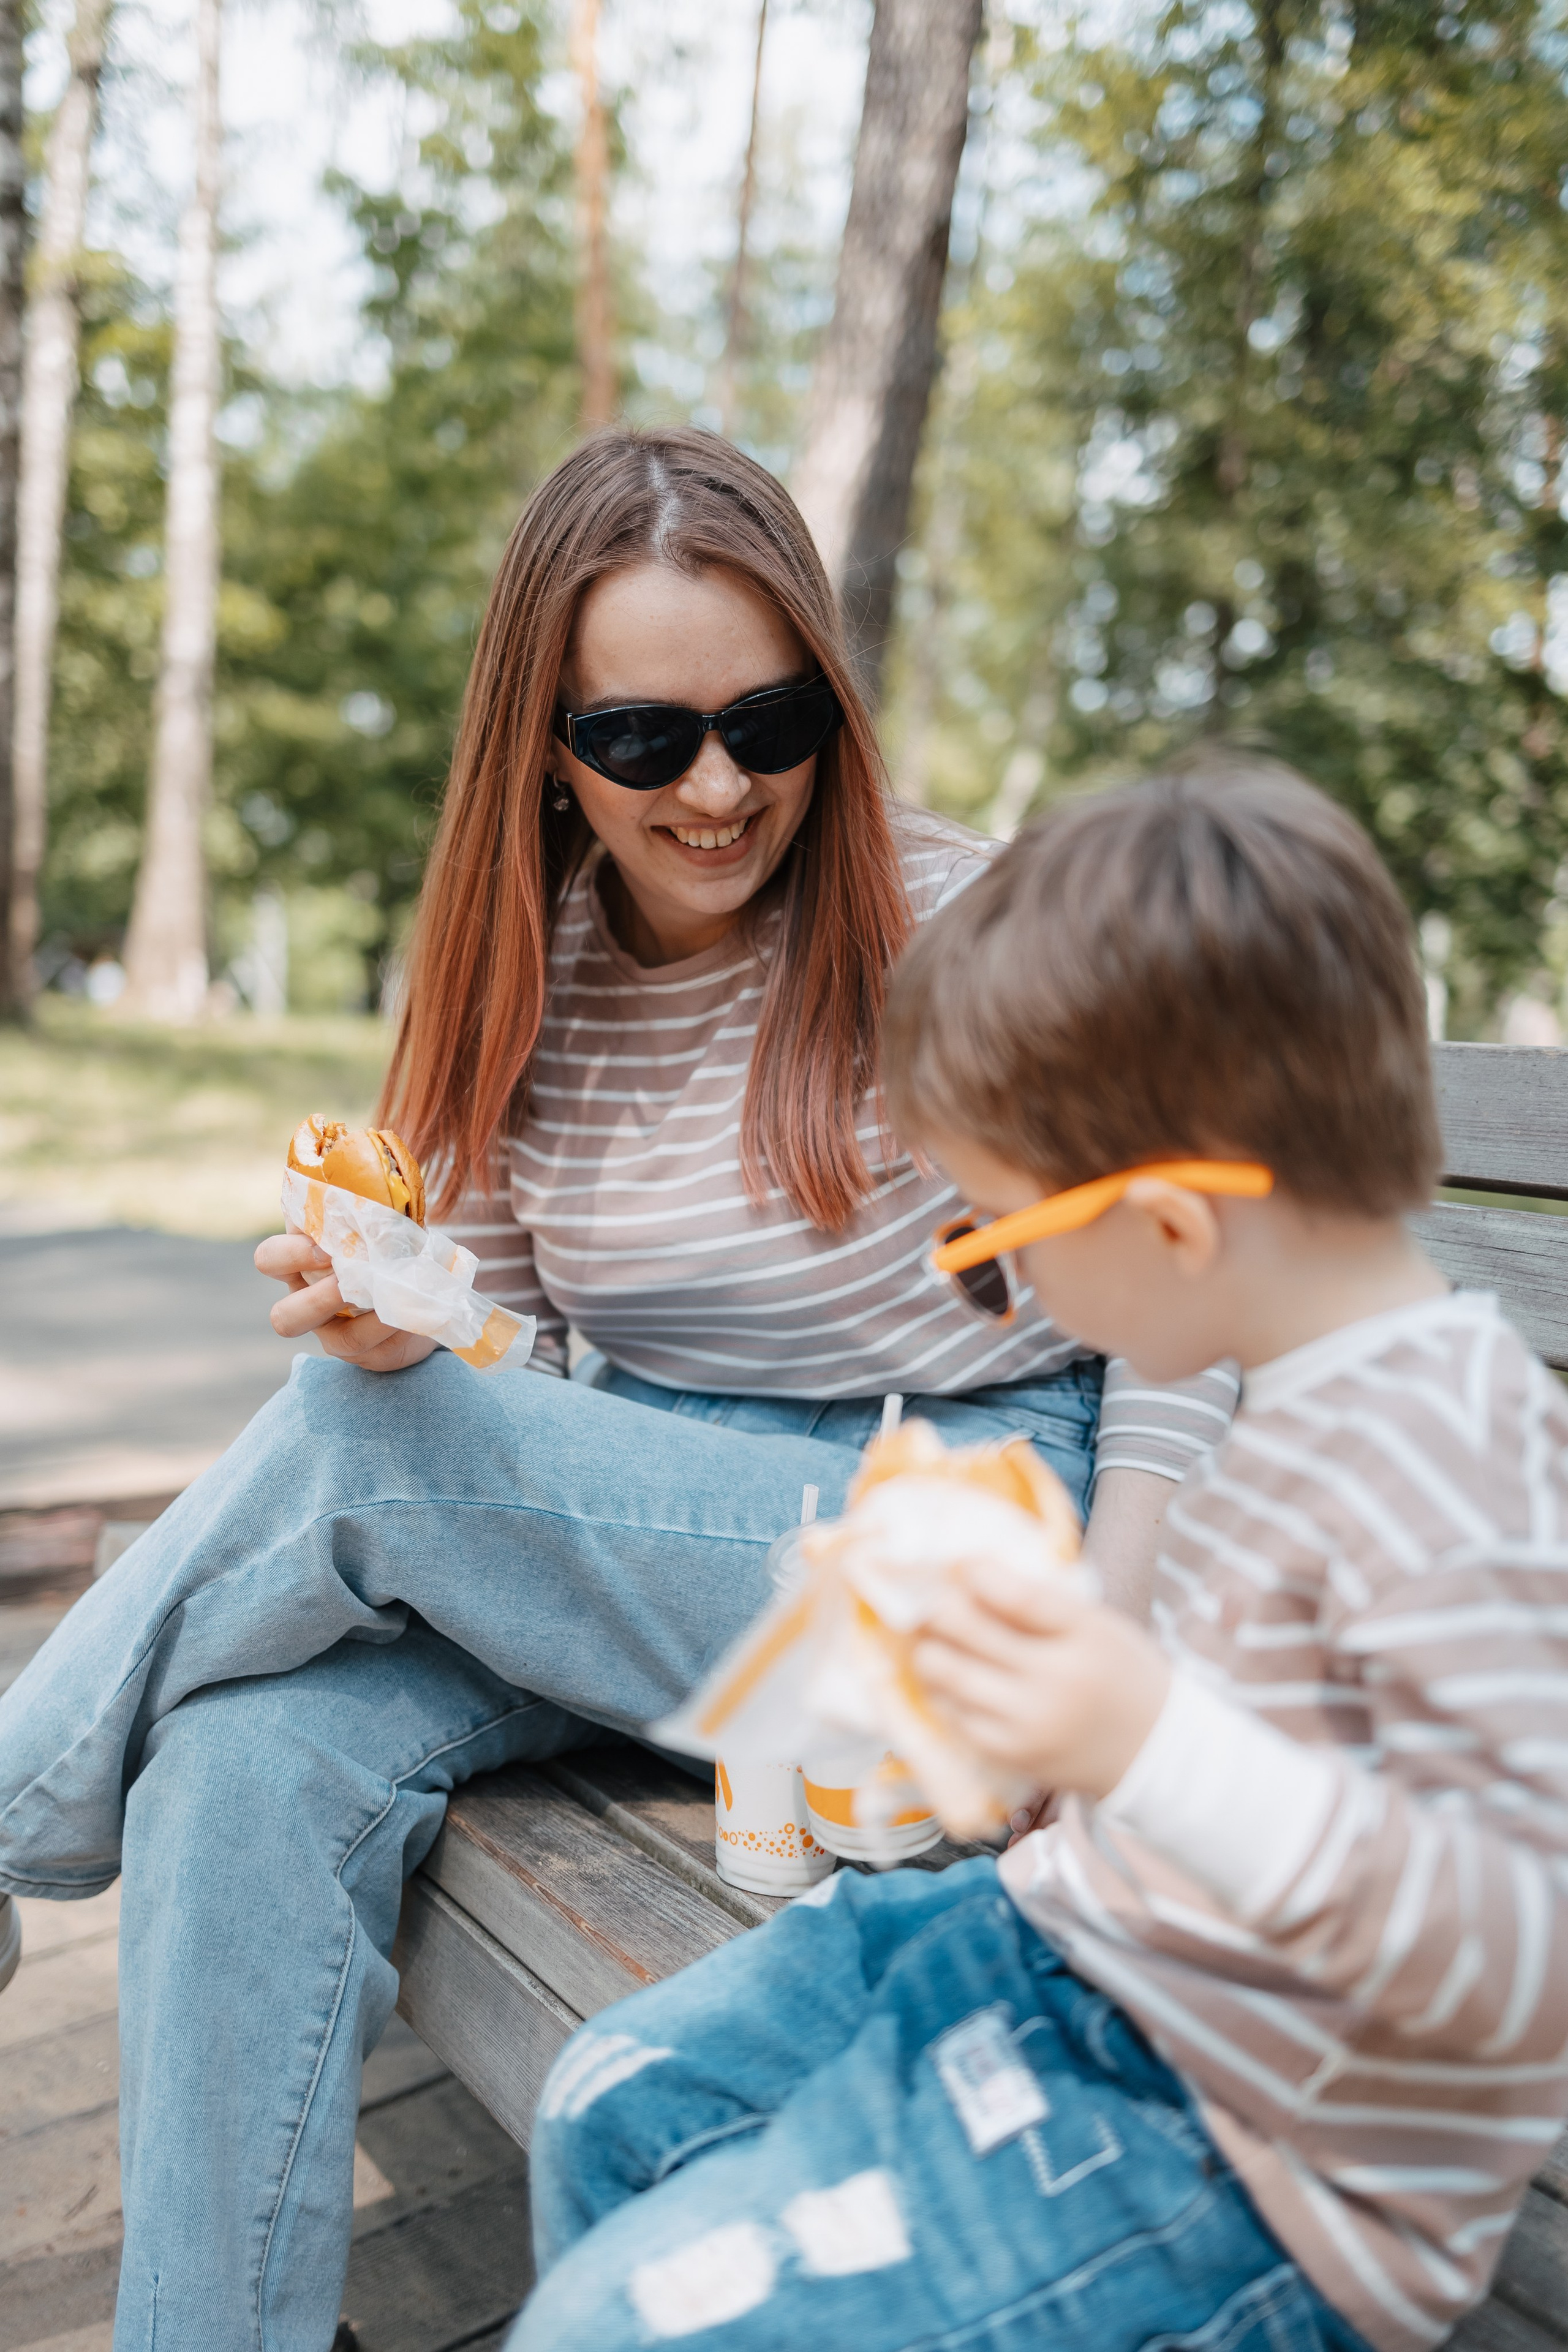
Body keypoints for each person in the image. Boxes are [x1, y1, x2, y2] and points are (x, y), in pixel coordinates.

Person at [0, 429, 1229, 2352]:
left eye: (771, 717)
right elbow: (488, 1371)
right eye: (648, 740)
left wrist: (1117, 1670)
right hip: (662, 1535)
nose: (724, 785)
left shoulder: (979, 929)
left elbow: (1184, 1320)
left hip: (952, 1547)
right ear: (549, 746)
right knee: (236, 1767)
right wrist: (395, 1323)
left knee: (356, 1448)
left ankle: (3, 1818)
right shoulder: (528, 961)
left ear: (832, 692)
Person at [510, 754, 1568, 2352]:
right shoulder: (1314, 1392)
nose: (1002, 1307)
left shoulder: (1455, 1474)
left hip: (1238, 2153)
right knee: (616, 2102)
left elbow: (1515, 1964)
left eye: (991, 1243)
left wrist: (1138, 1737)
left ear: (1171, 1225)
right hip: (1085, 1946)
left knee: (606, 2329)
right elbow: (1267, 1737)